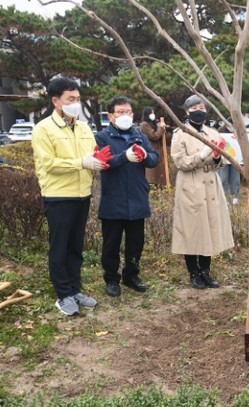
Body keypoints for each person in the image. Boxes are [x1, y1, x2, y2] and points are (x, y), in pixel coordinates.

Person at [31, 77, 106, 316]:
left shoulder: (83, 127)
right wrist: (80, 162)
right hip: (58, 196)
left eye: (78, 99)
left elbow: (92, 154)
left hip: (82, 194)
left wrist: (98, 161)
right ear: (56, 101)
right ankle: (63, 295)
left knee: (75, 246)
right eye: (70, 99)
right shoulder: (44, 129)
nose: (75, 103)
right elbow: (49, 164)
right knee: (60, 247)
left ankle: (75, 289)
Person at [95, 96, 159, 297]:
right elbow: (103, 163)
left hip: (137, 197)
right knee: (111, 243)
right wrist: (124, 157)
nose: (125, 116)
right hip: (114, 198)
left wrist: (146, 156)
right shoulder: (102, 137)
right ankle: (111, 279)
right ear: (111, 116)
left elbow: (154, 159)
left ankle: (131, 275)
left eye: (128, 112)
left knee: (136, 242)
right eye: (120, 112)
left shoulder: (140, 135)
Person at [171, 94, 234, 289]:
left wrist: (217, 157)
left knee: (210, 227)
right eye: (195, 108)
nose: (199, 111)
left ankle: (206, 270)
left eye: (202, 107)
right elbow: (180, 162)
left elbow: (226, 156)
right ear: (187, 111)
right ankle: (193, 272)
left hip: (211, 183)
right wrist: (203, 154)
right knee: (192, 229)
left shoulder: (212, 132)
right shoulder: (180, 133)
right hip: (191, 185)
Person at [140, 106, 168, 187]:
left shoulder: (153, 124)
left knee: (159, 175)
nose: (153, 115)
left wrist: (163, 129)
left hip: (158, 151)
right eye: (151, 113)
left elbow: (161, 136)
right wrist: (161, 128)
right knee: (152, 175)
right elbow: (154, 136)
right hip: (150, 151)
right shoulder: (144, 125)